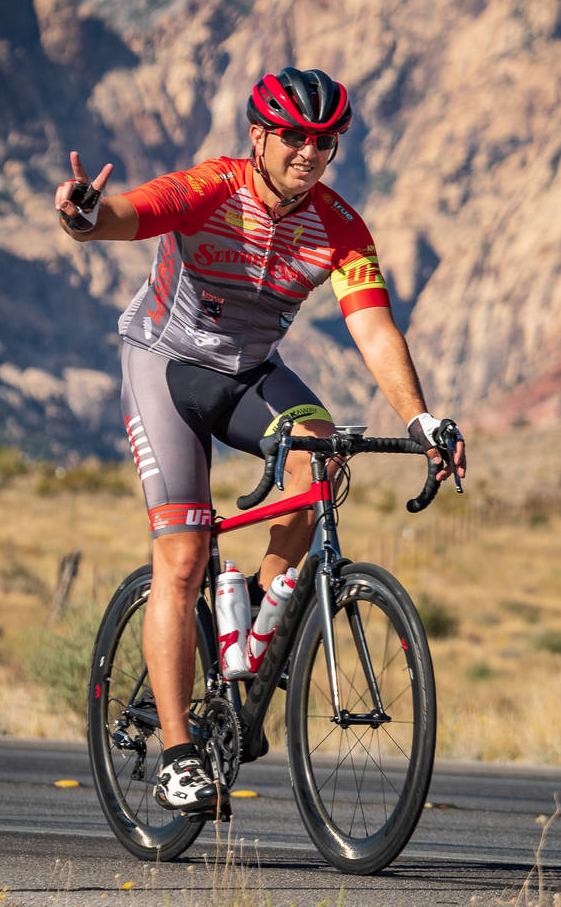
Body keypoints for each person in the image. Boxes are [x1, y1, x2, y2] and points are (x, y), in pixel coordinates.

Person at [54, 67, 466, 811]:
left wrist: (421, 420)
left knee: (323, 451)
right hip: (165, 367)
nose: (309, 152)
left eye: (324, 141)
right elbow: (131, 214)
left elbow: (373, 328)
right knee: (181, 558)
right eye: (295, 137)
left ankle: (252, 618)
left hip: (247, 373)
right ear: (259, 136)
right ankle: (179, 754)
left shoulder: (340, 226)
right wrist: (85, 217)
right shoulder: (212, 188)